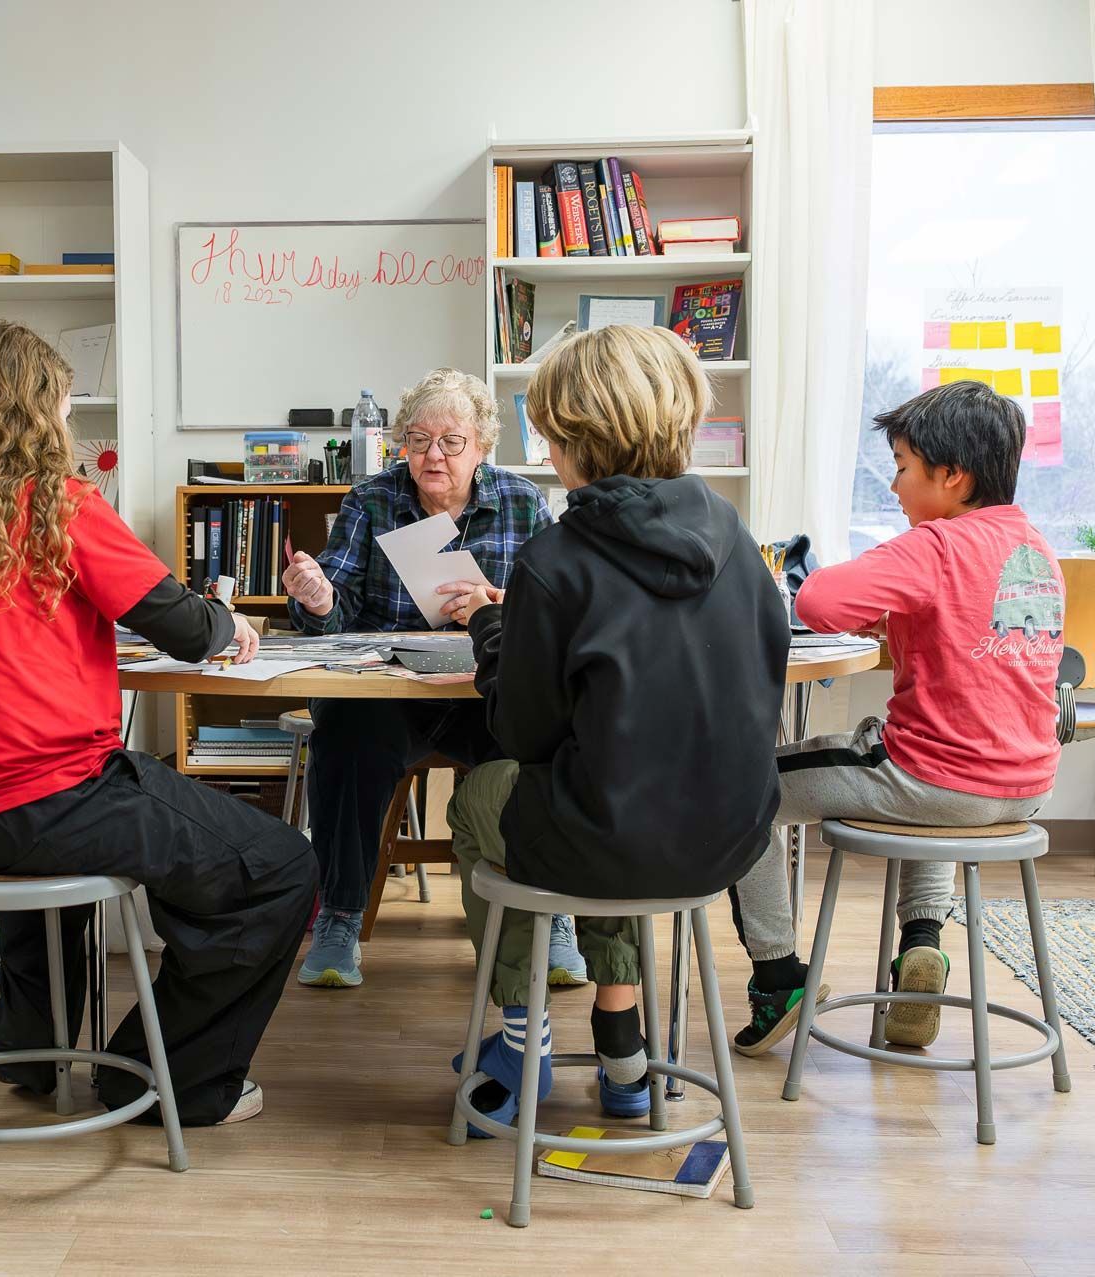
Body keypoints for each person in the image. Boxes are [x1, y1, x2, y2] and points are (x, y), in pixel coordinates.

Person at [0, 319, 314, 1127]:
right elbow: (188, 630)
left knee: (75, 840)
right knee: (280, 866)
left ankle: (34, 1048)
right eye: (61, 406)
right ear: (36, 413)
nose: (67, 425)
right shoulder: (61, 505)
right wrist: (231, 621)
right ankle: (163, 1079)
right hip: (42, 803)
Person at [442, 324, 788, 1125]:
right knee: (609, 788)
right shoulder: (736, 537)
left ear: (574, 439)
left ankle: (521, 1038)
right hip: (729, 840)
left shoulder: (554, 559)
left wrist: (495, 633)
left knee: (491, 800)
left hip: (612, 836)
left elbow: (522, 733)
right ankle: (622, 1042)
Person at [729, 381, 1063, 1057]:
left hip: (938, 781)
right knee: (930, 776)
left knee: (741, 787)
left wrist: (889, 584)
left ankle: (777, 975)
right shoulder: (1035, 548)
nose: (894, 484)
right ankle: (922, 942)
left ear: (951, 476)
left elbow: (820, 600)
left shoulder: (934, 546)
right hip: (1025, 786)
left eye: (904, 466)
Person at [281, 369, 556, 990]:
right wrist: (319, 598)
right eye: (419, 439)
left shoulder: (523, 501)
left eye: (452, 441)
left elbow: (557, 610)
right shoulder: (371, 499)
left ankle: (548, 913)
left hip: (482, 691)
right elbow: (333, 612)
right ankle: (340, 918)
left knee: (539, 739)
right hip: (391, 695)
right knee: (344, 733)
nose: (433, 455)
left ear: (482, 445)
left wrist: (495, 600)